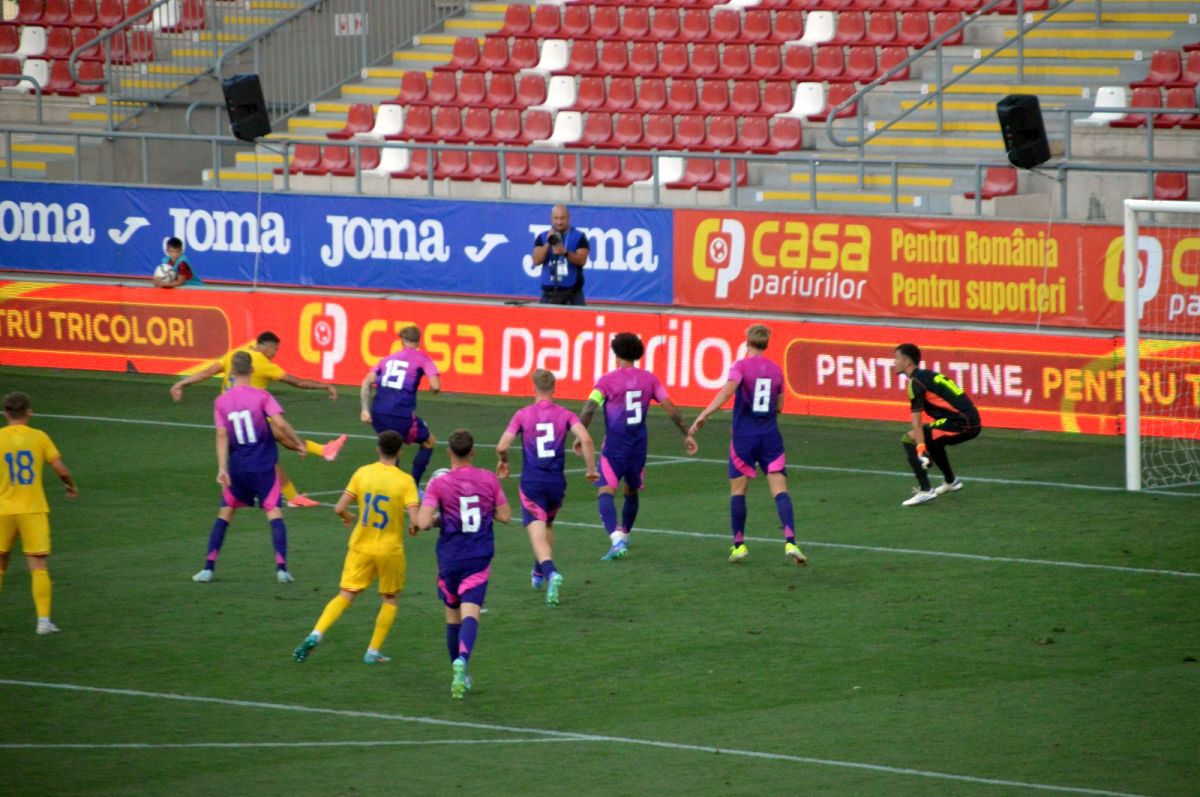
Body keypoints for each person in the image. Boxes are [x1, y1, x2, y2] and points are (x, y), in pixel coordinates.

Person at [171, 331, 345, 507]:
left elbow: (207, 373)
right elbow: (297, 382)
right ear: (267, 346)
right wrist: (325, 386)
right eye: (275, 350)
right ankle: (322, 452)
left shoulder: (234, 355)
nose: (275, 354)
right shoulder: (262, 362)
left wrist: (181, 383)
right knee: (276, 443)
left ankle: (296, 491)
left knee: (270, 454)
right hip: (250, 419)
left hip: (230, 417)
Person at [293, 430, 420, 665]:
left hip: (361, 546)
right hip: (389, 550)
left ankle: (316, 634)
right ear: (400, 452)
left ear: (378, 449)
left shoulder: (362, 473)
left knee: (346, 594)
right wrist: (414, 527)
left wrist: (347, 517)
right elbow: (416, 520)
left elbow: (339, 507)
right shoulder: (405, 481)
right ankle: (373, 651)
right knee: (390, 598)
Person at [689, 325, 806, 567]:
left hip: (744, 437)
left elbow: (726, 393)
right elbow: (780, 407)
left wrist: (704, 414)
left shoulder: (740, 367)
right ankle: (791, 541)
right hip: (770, 437)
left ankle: (739, 545)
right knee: (780, 491)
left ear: (747, 342)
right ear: (766, 343)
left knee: (738, 492)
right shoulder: (776, 370)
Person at [575, 332, 697, 561]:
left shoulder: (606, 381)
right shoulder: (650, 379)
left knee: (605, 491)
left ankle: (616, 539)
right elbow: (671, 408)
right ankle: (626, 533)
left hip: (614, 448)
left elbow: (589, 408)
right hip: (638, 447)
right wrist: (687, 434)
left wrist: (580, 434)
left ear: (616, 353)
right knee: (631, 490)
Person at [193, 352, 307, 584]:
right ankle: (281, 570)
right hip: (264, 466)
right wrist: (298, 443)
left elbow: (222, 434)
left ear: (231, 373)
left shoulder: (221, 401)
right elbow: (280, 423)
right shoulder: (262, 396)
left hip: (237, 467)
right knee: (273, 512)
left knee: (225, 513)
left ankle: (208, 568)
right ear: (252, 371)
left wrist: (222, 468)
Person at [416, 428, 512, 698]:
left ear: (449, 452)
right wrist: (486, 510)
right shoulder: (488, 478)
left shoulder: (439, 484)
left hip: (450, 557)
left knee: (452, 616)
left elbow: (423, 523)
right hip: (478, 556)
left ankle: (457, 671)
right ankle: (463, 660)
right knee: (471, 613)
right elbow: (506, 515)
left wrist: (442, 517)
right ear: (473, 452)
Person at [496, 369, 597, 606]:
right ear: (554, 388)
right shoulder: (565, 414)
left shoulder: (523, 415)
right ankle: (538, 570)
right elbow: (586, 439)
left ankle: (550, 572)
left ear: (534, 388)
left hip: (533, 482)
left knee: (536, 532)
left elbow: (502, 445)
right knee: (547, 525)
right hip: (556, 483)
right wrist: (591, 469)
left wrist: (504, 462)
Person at [0, 392, 78, 635]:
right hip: (32, 510)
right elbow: (60, 468)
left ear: (5, 413)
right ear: (29, 412)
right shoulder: (39, 437)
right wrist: (70, 485)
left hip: (3, 510)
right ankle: (43, 621)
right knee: (38, 564)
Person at [893, 343, 982, 506]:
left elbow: (917, 421)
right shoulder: (927, 375)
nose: (894, 362)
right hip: (967, 419)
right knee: (933, 438)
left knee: (908, 438)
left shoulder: (916, 383)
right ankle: (951, 481)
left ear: (907, 361)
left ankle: (925, 491)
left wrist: (920, 447)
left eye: (897, 358)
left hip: (962, 423)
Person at [360, 325, 441, 488]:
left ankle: (391, 489)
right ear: (419, 342)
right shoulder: (422, 358)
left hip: (378, 414)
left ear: (402, 341)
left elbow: (366, 382)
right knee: (429, 441)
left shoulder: (387, 359)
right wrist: (433, 389)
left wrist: (364, 410)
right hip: (401, 415)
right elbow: (436, 385)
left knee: (391, 449)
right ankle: (413, 486)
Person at [531, 204, 589, 305]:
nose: (559, 222)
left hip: (573, 294)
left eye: (562, 218)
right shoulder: (542, 237)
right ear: (551, 218)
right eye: (556, 218)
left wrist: (565, 252)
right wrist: (548, 242)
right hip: (548, 294)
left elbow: (582, 260)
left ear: (568, 217)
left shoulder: (579, 236)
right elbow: (536, 260)